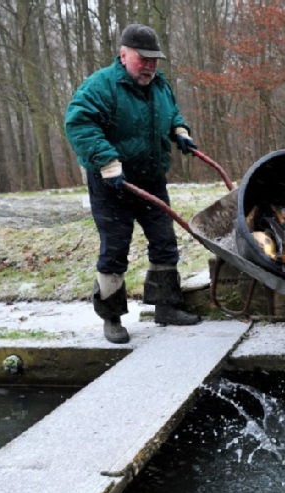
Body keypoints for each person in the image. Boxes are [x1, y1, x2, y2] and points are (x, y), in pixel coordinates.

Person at [65, 23, 200, 344]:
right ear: (124, 55)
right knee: (115, 250)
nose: (150, 66)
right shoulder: (101, 86)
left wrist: (180, 131)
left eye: (155, 60)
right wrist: (108, 161)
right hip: (112, 183)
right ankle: (111, 317)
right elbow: (78, 122)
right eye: (144, 59)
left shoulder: (159, 86)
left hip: (151, 177)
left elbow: (171, 113)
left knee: (164, 241)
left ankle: (165, 307)